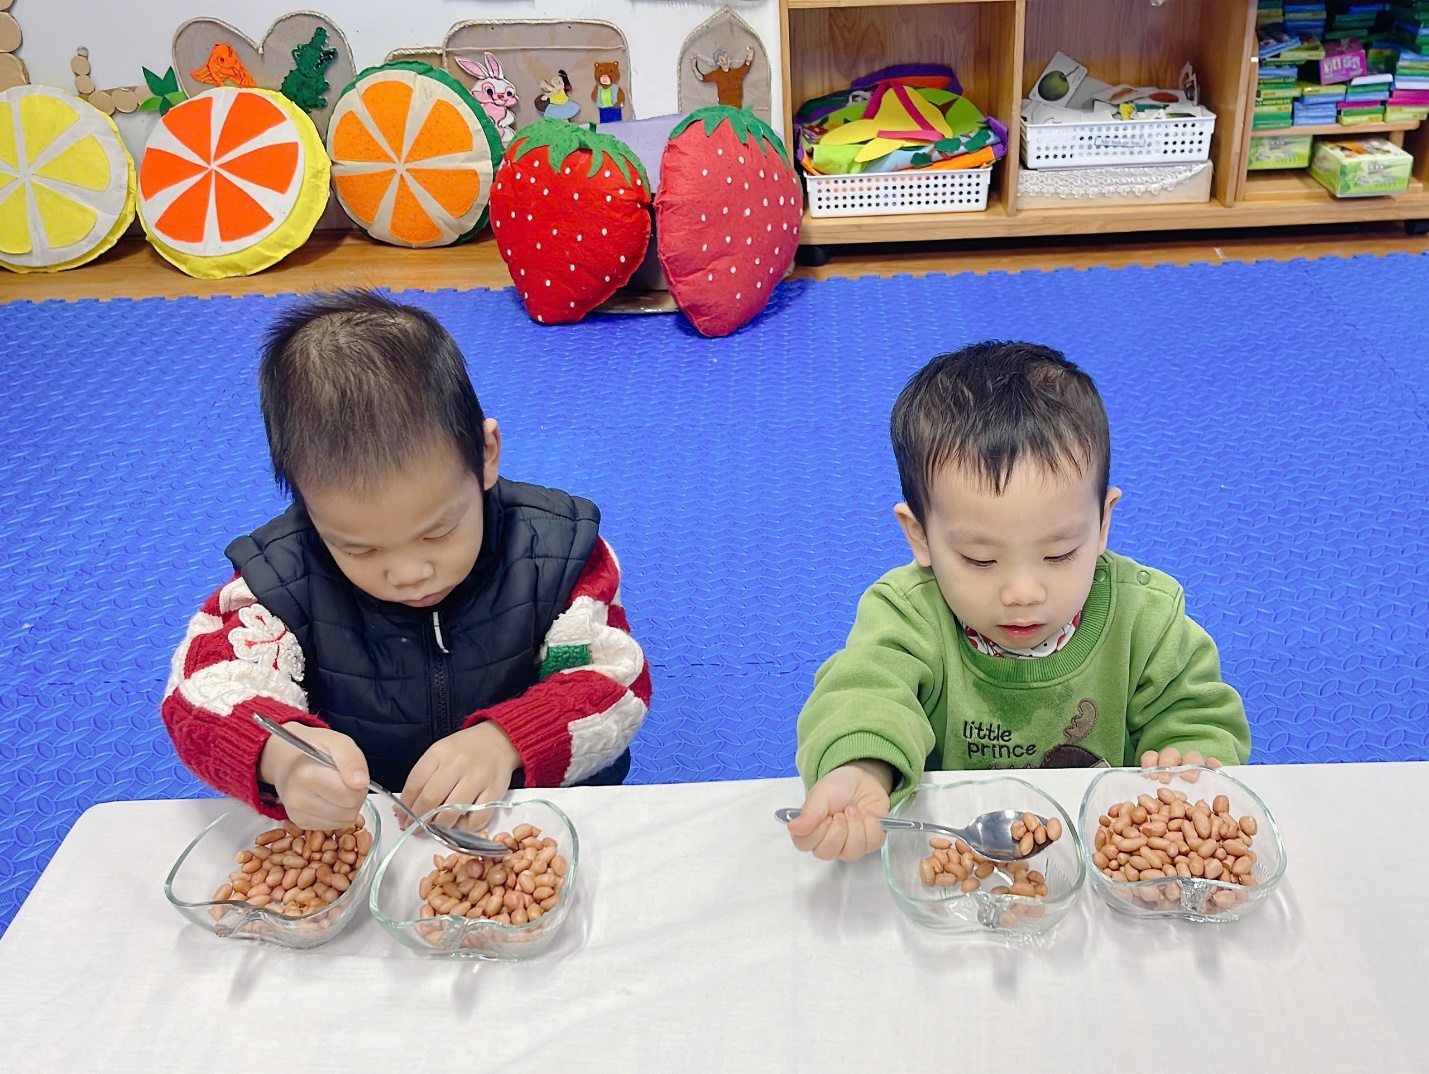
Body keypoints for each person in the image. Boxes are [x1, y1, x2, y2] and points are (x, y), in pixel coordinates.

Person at [161, 290, 651, 832]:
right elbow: (200, 694)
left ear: (485, 454)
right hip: (374, 828)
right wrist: (286, 759)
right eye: (359, 548)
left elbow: (615, 680)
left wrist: (510, 739)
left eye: (439, 531)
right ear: (305, 503)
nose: (409, 573)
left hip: (535, 808)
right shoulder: (279, 581)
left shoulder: (560, 554)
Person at [788, 341, 1250, 861]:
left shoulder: (1146, 617)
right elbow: (864, 694)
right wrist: (863, 769)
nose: (1023, 593)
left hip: (1099, 857)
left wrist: (1188, 760)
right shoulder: (908, 613)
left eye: (1059, 554)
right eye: (980, 560)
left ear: (1102, 523)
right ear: (920, 537)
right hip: (952, 853)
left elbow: (1195, 712)